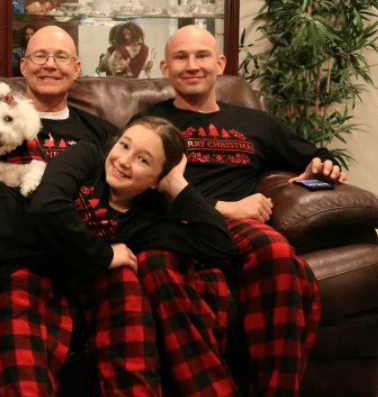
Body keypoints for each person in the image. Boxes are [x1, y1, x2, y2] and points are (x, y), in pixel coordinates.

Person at [132, 24, 338, 396]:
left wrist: (317, 174)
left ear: (220, 63)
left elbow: (322, 166)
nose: (192, 65)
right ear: (164, 68)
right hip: (174, 224)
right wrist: (223, 207)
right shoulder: (151, 125)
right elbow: (135, 188)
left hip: (240, 231)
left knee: (277, 253)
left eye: (202, 56)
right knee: (153, 265)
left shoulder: (255, 122)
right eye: (180, 57)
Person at [28, 116, 236, 397]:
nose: (124, 161)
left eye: (143, 161)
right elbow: (46, 207)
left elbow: (220, 245)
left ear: (157, 180)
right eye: (124, 146)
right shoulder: (87, 157)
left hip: (98, 290)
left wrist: (177, 185)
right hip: (41, 269)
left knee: (127, 293)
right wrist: (103, 254)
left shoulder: (148, 222)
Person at [0, 25, 121, 397]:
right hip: (22, 262)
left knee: (128, 301)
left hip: (88, 258)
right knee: (19, 333)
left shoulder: (101, 133)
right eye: (39, 56)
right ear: (23, 66)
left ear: (77, 68)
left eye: (61, 58)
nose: (49, 65)